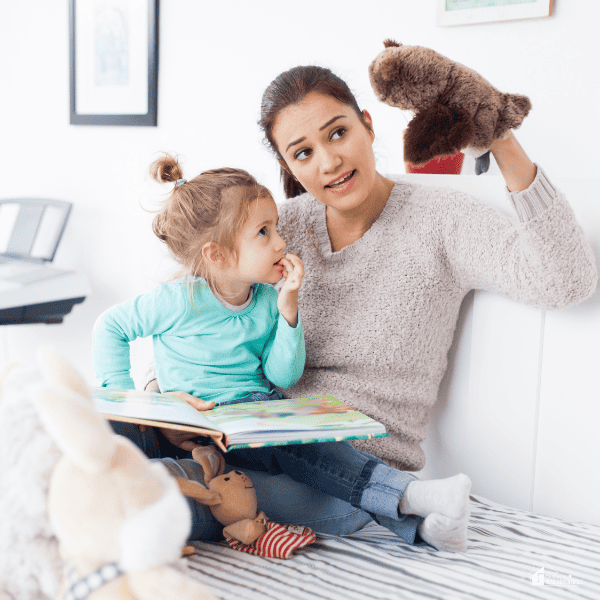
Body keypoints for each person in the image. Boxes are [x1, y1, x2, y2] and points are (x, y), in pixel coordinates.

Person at [94, 154, 473, 552]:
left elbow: (283, 376)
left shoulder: (264, 302)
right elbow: (111, 327)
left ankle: (421, 524)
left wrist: (288, 309)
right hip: (193, 426)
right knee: (95, 422)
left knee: (317, 452)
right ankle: (410, 496)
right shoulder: (178, 300)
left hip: (248, 422)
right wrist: (132, 405)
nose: (280, 242)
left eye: (275, 228)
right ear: (217, 255)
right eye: (263, 232)